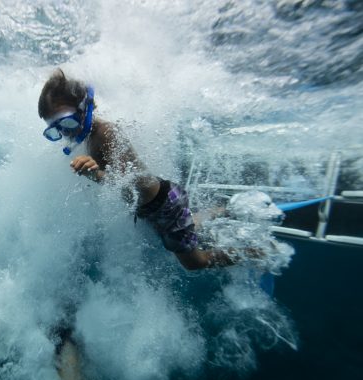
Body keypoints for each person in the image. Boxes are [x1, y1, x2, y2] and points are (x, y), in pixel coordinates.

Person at [38, 68, 237, 270]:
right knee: (184, 226)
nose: (65, 133)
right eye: (56, 129)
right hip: (151, 206)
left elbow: (131, 181)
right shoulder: (89, 137)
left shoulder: (106, 134)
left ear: (84, 109)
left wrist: (95, 173)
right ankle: (221, 211)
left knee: (195, 263)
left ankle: (258, 252)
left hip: (164, 205)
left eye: (67, 122)